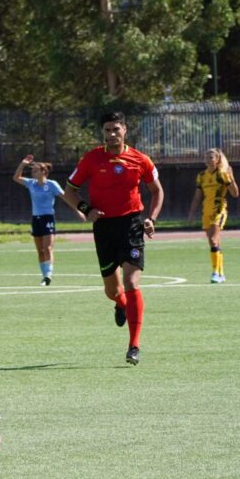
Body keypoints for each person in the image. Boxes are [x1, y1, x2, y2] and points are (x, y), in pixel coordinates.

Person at [61, 111, 164, 366]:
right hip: (104, 227)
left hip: (131, 225)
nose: (111, 134)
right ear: (103, 132)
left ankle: (134, 345)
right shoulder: (91, 158)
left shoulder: (140, 159)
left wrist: (151, 218)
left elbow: (156, 190)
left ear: (124, 130)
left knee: (131, 281)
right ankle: (120, 304)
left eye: (116, 129)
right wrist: (87, 210)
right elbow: (69, 191)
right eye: (107, 130)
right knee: (113, 290)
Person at [12, 155, 87, 285]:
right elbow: (16, 178)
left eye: (36, 170)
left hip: (48, 218)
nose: (33, 173)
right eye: (33, 170)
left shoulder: (52, 184)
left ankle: (48, 275)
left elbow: (66, 197)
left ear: (43, 172)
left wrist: (78, 211)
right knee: (40, 250)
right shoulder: (31, 183)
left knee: (47, 248)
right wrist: (23, 164)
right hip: (36, 219)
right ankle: (44, 276)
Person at [188, 148, 239, 283]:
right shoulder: (201, 176)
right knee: (213, 242)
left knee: (213, 240)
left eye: (211, 157)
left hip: (219, 210)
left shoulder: (222, 175)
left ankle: (215, 272)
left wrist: (231, 178)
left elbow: (235, 193)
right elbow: (197, 197)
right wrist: (192, 212)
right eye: (206, 157)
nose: (208, 159)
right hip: (207, 211)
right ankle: (221, 273)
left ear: (217, 160)